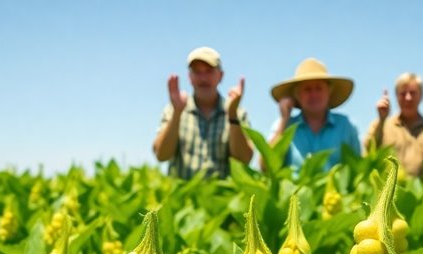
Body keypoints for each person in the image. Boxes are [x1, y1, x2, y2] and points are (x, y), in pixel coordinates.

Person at [153, 46, 253, 179]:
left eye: (209, 71)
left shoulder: (237, 112)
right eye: (197, 71)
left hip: (223, 198)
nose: (203, 78)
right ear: (189, 77)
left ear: (220, 76)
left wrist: (232, 115)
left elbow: (244, 160)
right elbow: (161, 155)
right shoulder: (174, 108)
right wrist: (177, 113)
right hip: (182, 198)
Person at [268, 58, 360, 170]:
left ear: (329, 92)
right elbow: (266, 167)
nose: (313, 95)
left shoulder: (347, 126)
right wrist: (284, 119)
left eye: (319, 88)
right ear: (297, 95)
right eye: (307, 89)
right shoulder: (284, 125)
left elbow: (358, 168)